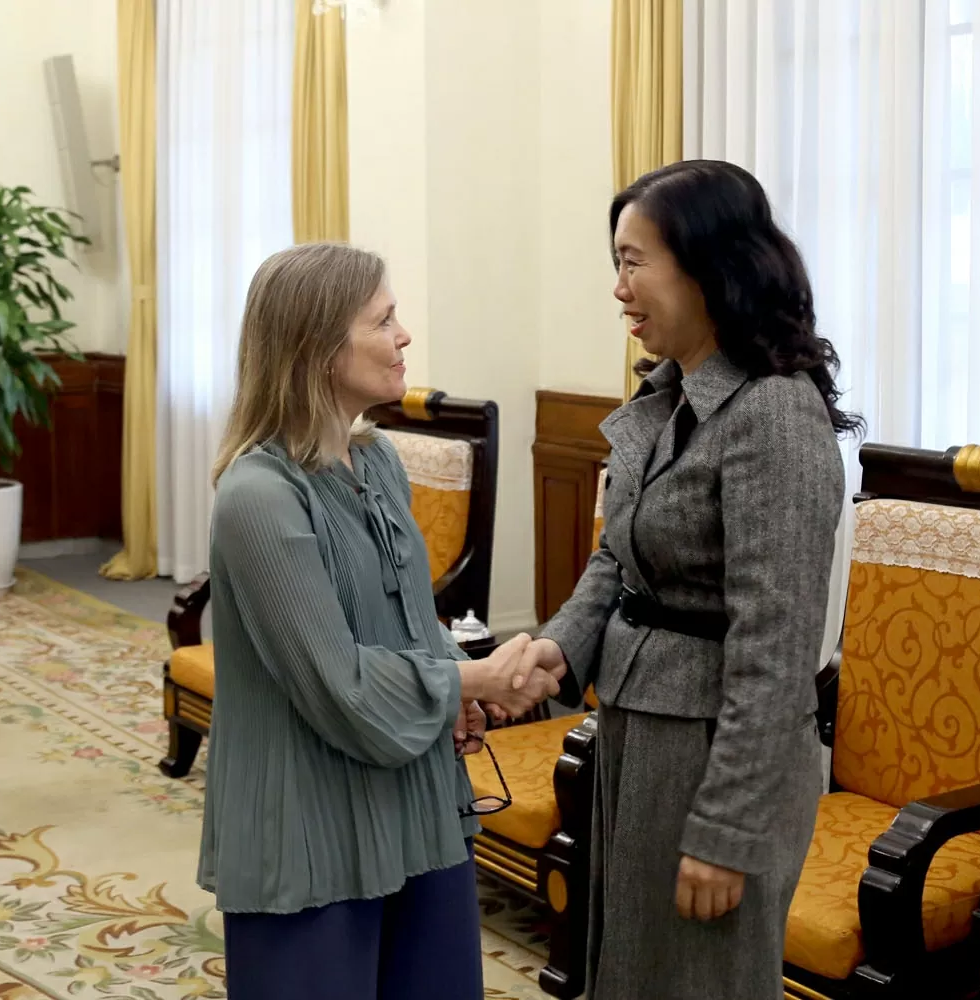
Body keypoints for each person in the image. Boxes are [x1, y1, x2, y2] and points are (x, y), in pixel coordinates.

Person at [516, 159, 860, 999]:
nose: (619, 287)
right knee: (632, 967)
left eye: (634, 261)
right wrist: (559, 648)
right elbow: (620, 557)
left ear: (710, 265)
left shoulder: (773, 412)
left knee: (701, 981)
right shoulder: (669, 395)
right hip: (641, 727)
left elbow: (775, 653)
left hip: (718, 756)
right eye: (616, 261)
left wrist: (726, 829)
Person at [198, 242, 565, 1000]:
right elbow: (336, 683)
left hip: (416, 804)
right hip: (308, 830)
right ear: (316, 347)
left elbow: (409, 622)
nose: (404, 336)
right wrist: (470, 676)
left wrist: (455, 693)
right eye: (384, 319)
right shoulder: (258, 497)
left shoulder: (379, 462)